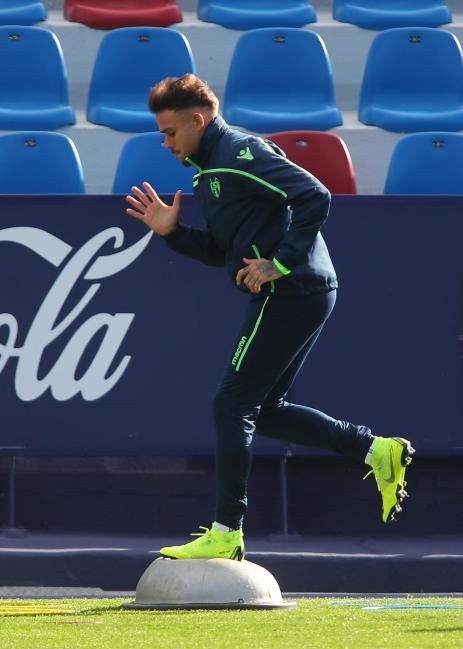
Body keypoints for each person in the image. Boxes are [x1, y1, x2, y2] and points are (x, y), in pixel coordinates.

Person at [126, 74, 414, 561]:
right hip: (300, 289)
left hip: (293, 287)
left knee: (230, 403)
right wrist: (172, 233)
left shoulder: (238, 154)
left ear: (198, 121)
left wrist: (280, 262)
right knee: (264, 409)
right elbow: (224, 252)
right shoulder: (210, 171)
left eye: (171, 132)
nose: (166, 142)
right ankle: (375, 451)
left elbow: (315, 195)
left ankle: (226, 532)